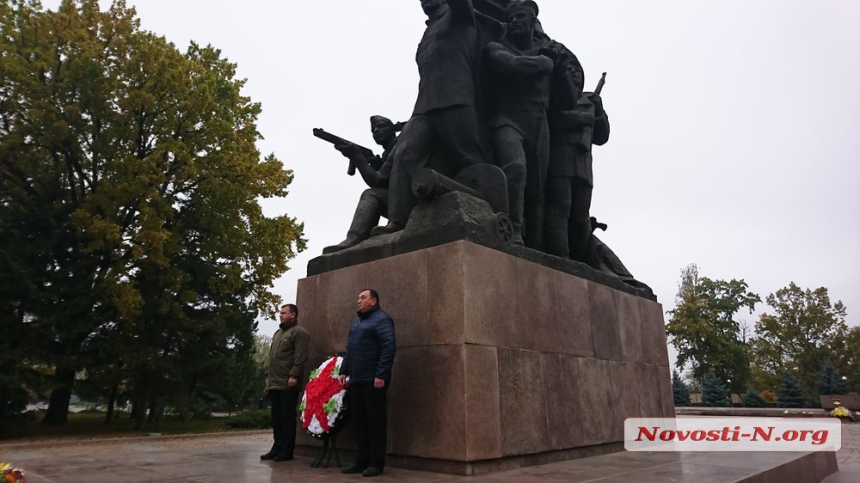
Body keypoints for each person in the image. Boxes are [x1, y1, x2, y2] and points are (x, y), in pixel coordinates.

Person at [371, 0, 488, 237]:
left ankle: (487, 212)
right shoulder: (428, 30)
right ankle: (399, 221)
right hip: (424, 105)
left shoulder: (461, 15)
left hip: (456, 99)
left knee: (468, 158)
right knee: (405, 153)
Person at [483, 0, 554, 248]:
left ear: (533, 23)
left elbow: (565, 99)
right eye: (511, 18)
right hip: (507, 119)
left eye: (521, 17)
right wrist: (543, 64)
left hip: (539, 122)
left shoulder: (549, 51)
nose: (514, 22)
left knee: (537, 188)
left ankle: (535, 242)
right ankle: (512, 229)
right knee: (515, 169)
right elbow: (508, 65)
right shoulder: (495, 47)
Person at [544, 90, 609, 261]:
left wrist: (600, 112)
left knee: (581, 218)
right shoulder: (557, 95)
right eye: (569, 68)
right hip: (559, 163)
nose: (573, 72)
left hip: (584, 167)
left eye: (576, 70)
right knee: (560, 210)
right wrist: (581, 119)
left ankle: (581, 262)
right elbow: (551, 120)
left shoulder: (590, 99)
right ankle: (561, 258)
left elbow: (602, 136)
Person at [338, 289, 396, 478]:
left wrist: (381, 374)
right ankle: (361, 460)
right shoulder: (357, 322)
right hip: (356, 379)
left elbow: (388, 347)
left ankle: (375, 463)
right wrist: (344, 370)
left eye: (363, 298)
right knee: (359, 422)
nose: (359, 301)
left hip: (374, 381)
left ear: (374, 301)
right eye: (358, 298)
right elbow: (350, 348)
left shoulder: (382, 320)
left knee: (375, 423)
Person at [323, 116, 399, 254]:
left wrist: (357, 156)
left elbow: (378, 181)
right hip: (397, 199)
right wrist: (375, 163)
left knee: (371, 194)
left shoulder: (400, 144)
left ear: (393, 129)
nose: (376, 131)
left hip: (408, 200)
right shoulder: (386, 153)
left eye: (381, 126)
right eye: (373, 129)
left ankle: (355, 238)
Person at [260, 304, 309, 462]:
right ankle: (277, 447)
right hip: (275, 382)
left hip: (288, 383)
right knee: (277, 418)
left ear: (293, 315)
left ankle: (287, 450)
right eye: (280, 313)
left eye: (283, 313)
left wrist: (294, 375)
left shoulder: (299, 332)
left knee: (287, 417)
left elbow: (300, 356)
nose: (280, 315)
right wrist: (268, 375)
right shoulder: (278, 333)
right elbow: (273, 357)